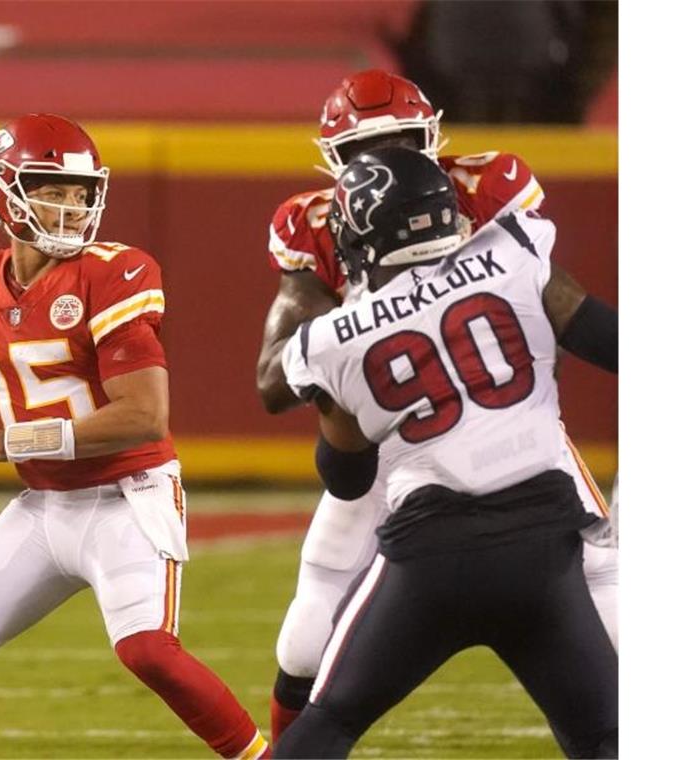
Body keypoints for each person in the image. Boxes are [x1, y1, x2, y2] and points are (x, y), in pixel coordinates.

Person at [0, 113, 270, 759]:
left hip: (128, 496)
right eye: (51, 189)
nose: (70, 207)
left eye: (80, 193)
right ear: (3, 191)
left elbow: (141, 417)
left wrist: (10, 442)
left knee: (149, 652)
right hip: (46, 508)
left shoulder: (115, 272)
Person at [253, 69, 618, 742]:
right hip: (391, 428)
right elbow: (277, 376)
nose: (384, 161)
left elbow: (538, 328)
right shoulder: (316, 224)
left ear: (432, 138)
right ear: (335, 163)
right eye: (366, 150)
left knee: (615, 600)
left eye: (400, 141)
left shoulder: (488, 186)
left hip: (495, 425)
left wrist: (349, 339)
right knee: (303, 648)